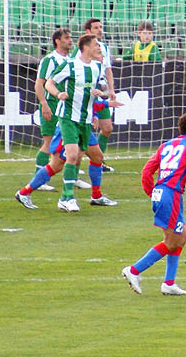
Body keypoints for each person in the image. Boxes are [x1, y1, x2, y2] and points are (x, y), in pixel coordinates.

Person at [121, 112, 186, 295]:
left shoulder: (166, 145)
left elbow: (146, 171)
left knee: (181, 237)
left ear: (179, 128)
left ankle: (169, 283)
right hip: (171, 194)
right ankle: (134, 270)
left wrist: (152, 192)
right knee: (172, 240)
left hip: (161, 193)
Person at [44, 34, 108, 212]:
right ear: (86, 47)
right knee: (68, 156)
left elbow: (99, 91)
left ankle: (96, 196)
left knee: (95, 157)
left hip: (85, 120)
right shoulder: (70, 65)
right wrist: (58, 94)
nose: (99, 48)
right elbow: (49, 83)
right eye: (96, 45)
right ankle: (66, 197)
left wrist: (98, 98)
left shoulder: (96, 66)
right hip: (68, 118)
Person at [14, 103, 118, 209]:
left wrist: (95, 114)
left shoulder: (89, 87)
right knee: (56, 165)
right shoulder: (69, 87)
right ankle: (24, 193)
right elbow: (55, 88)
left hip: (83, 126)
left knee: (97, 157)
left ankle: (96, 196)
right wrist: (106, 103)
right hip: (69, 126)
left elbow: (90, 100)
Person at [32, 27, 72, 177]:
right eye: (66, 37)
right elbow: (39, 84)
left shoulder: (70, 60)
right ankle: (39, 178)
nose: (70, 40)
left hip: (66, 108)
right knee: (49, 144)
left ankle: (72, 176)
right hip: (52, 105)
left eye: (70, 37)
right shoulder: (50, 60)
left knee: (69, 144)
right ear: (57, 41)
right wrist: (44, 104)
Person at [83, 18, 117, 165]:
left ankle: (98, 161)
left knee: (107, 128)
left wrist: (111, 89)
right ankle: (73, 160)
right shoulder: (82, 49)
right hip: (87, 93)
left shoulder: (103, 47)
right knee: (82, 131)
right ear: (88, 31)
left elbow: (108, 69)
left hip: (100, 92)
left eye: (101, 27)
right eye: (96, 27)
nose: (100, 30)